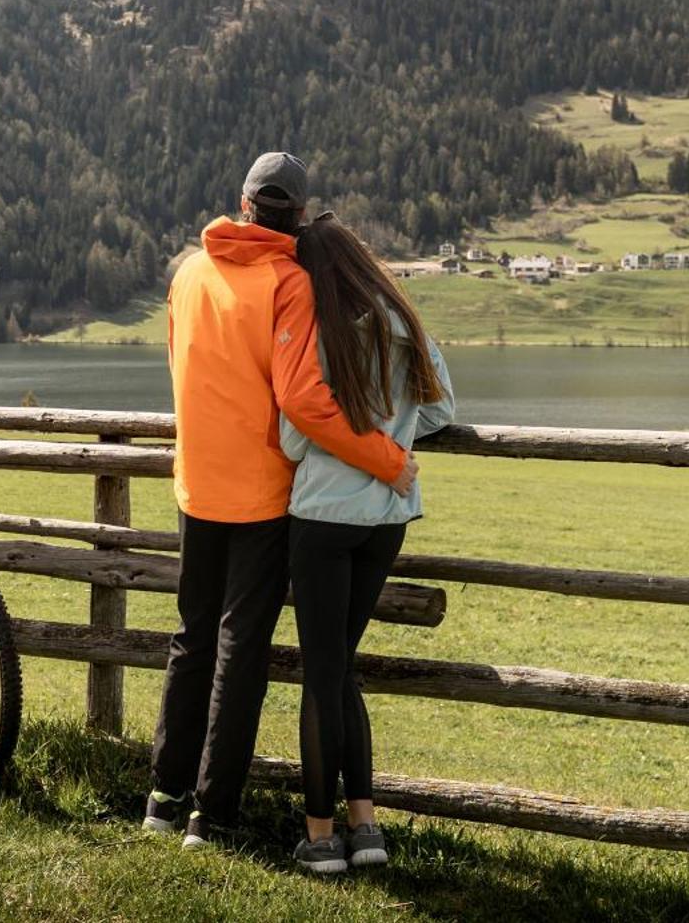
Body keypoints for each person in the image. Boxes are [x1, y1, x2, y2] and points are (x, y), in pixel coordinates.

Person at [145, 152, 418, 850]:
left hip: (195, 484)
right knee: (241, 650)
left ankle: (161, 798)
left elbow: (179, 368)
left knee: (192, 639)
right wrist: (388, 458)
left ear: (241, 203)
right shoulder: (289, 281)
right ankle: (213, 816)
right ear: (298, 215)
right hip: (262, 495)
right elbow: (303, 399)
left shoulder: (189, 274)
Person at [278, 212, 453, 874]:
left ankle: (321, 838)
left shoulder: (320, 331)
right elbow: (441, 410)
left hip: (323, 515)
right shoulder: (402, 321)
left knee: (322, 675)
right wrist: (395, 436)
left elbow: (296, 436)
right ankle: (367, 826)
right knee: (341, 666)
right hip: (385, 520)